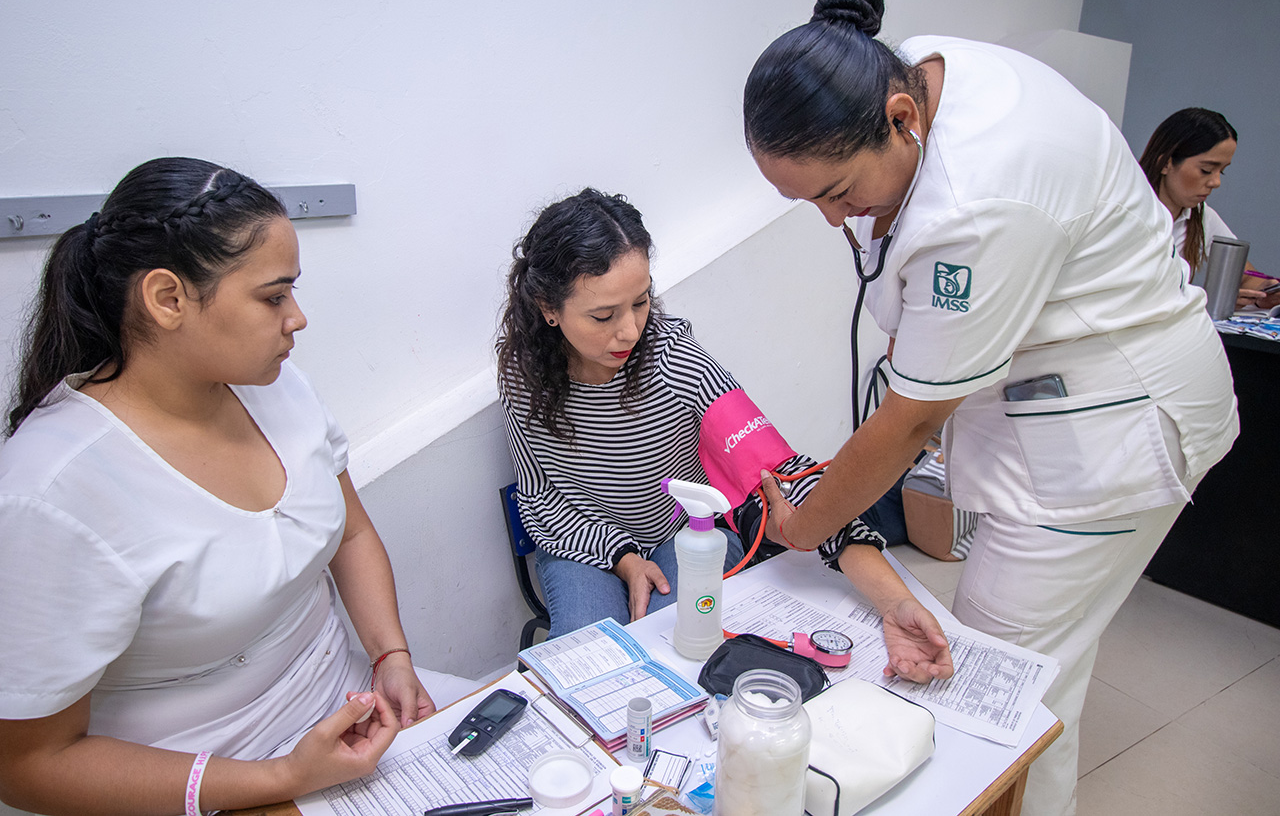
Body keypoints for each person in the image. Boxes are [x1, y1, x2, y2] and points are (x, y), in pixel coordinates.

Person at [741, 0, 1237, 816]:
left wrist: (805, 522)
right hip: (1064, 409)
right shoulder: (928, 76)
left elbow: (910, 418)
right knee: (1044, 677)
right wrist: (843, 482)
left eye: (834, 193)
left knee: (992, 691)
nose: (835, 220)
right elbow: (923, 342)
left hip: (1114, 436)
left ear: (901, 119)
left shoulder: (982, 195)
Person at [0, 158, 476, 816]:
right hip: (203, 782)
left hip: (345, 715)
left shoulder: (279, 388)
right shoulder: (52, 492)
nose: (298, 317)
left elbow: (353, 530)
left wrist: (390, 653)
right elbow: (28, 767)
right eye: (273, 296)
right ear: (167, 298)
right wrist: (279, 777)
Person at [496, 188, 952, 683]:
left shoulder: (678, 365)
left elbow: (786, 483)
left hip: (684, 533)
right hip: (583, 542)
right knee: (580, 668)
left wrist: (895, 601)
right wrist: (624, 559)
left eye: (642, 302)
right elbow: (542, 497)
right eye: (604, 316)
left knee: (674, 651)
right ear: (549, 308)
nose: (629, 331)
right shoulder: (524, 378)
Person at [1138, 107, 1280, 310]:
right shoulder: (1127, 211)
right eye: (1206, 170)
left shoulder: (1199, 216)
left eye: (1222, 171)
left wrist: (1262, 292)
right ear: (1165, 162)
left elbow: (1245, 276)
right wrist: (1203, 300)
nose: (1216, 182)